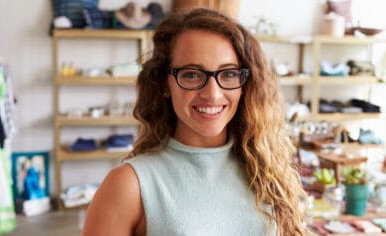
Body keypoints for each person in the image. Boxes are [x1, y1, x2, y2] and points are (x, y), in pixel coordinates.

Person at [82, 8, 307, 235]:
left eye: (228, 73)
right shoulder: (129, 185)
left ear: (245, 84)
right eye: (191, 74)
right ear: (165, 83)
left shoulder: (268, 171)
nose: (212, 94)